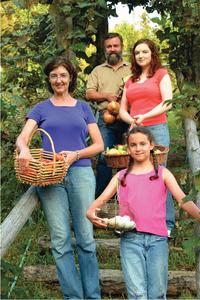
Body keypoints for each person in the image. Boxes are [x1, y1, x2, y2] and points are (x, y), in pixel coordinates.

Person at [16, 56, 104, 299]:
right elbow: (23, 138)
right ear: (49, 79)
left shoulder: (83, 107)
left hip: (81, 172)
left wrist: (75, 155)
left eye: (63, 75)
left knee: (86, 237)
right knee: (60, 240)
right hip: (50, 174)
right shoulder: (41, 108)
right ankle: (73, 296)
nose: (58, 80)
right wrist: (24, 149)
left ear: (71, 78)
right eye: (54, 75)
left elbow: (99, 145)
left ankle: (92, 295)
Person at [87, 126, 200, 300]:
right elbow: (96, 204)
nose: (138, 148)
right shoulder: (121, 176)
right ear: (128, 149)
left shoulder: (163, 174)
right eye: (133, 145)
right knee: (137, 294)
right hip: (130, 239)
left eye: (142, 144)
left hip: (158, 240)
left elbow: (183, 200)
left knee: (157, 293)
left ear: (151, 145)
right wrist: (90, 214)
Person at [119, 38, 175, 235]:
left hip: (157, 128)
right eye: (137, 53)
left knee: (159, 175)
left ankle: (166, 224)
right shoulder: (129, 80)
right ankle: (131, 220)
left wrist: (145, 116)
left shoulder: (161, 74)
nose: (141, 56)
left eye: (145, 52)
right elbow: (122, 110)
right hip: (135, 131)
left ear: (152, 54)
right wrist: (132, 120)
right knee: (133, 175)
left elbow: (167, 102)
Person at [86, 32, 131, 197]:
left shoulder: (132, 69)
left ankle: (125, 197)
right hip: (107, 118)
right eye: (109, 46)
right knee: (105, 158)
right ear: (105, 49)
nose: (112, 49)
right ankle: (102, 199)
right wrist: (106, 96)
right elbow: (89, 93)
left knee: (128, 158)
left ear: (121, 47)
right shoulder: (98, 71)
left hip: (128, 117)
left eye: (115, 46)